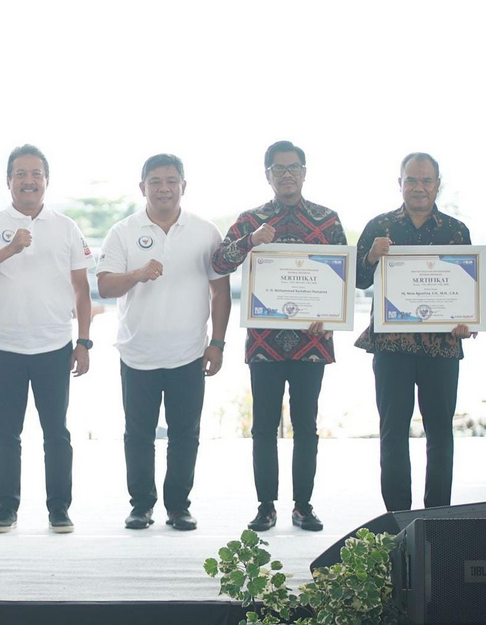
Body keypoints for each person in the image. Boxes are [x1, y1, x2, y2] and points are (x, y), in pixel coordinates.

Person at [212, 140, 346, 532]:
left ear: (305, 172)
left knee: (307, 426)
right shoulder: (251, 220)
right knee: (263, 427)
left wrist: (331, 316)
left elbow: (345, 275)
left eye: (294, 167)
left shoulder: (327, 219)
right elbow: (219, 260)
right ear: (267, 174)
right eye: (278, 168)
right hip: (265, 343)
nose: (287, 174)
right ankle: (266, 505)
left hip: (312, 342)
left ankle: (303, 505)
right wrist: (250, 241)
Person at [0, 144, 93, 534]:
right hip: (5, 346)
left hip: (54, 346)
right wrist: (10, 248)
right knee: (6, 433)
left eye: (36, 174)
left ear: (46, 181)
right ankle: (6, 509)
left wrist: (84, 342)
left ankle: (59, 509)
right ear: (9, 181)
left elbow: (82, 289)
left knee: (57, 433)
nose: (29, 180)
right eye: (21, 174)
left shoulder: (66, 226)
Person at [97, 154, 230, 531]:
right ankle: (141, 506)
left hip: (189, 353)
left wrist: (217, 342)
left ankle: (178, 507)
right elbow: (105, 286)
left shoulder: (205, 231)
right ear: (142, 188)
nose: (164, 188)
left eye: (171, 180)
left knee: (185, 434)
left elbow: (220, 292)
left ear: (183, 186)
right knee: (137, 434)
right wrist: (138, 273)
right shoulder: (122, 231)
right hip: (137, 352)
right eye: (155, 181)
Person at [355, 152, 473, 512]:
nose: (419, 187)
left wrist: (467, 320)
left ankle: (437, 515)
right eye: (412, 180)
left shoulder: (456, 231)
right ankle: (398, 517)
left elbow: (468, 287)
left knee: (440, 434)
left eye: (426, 180)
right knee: (392, 433)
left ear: (438, 184)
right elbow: (357, 282)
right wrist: (372, 257)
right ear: (400, 183)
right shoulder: (379, 226)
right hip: (392, 347)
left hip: (442, 347)